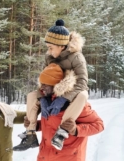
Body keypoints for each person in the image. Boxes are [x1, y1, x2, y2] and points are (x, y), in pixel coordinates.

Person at [25, 64, 104, 161]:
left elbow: (99, 125)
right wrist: (35, 125)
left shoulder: (75, 103)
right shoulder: (45, 101)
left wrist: (76, 130)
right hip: (46, 159)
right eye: (41, 84)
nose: (41, 88)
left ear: (57, 84)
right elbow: (50, 125)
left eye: (45, 85)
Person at [13, 19, 89, 151]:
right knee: (32, 95)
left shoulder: (77, 57)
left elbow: (82, 82)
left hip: (70, 90)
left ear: (61, 45)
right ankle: (30, 134)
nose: (48, 51)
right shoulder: (49, 57)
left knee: (83, 95)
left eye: (50, 47)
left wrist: (64, 98)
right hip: (52, 90)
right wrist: (43, 98)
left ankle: (61, 132)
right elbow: (44, 80)